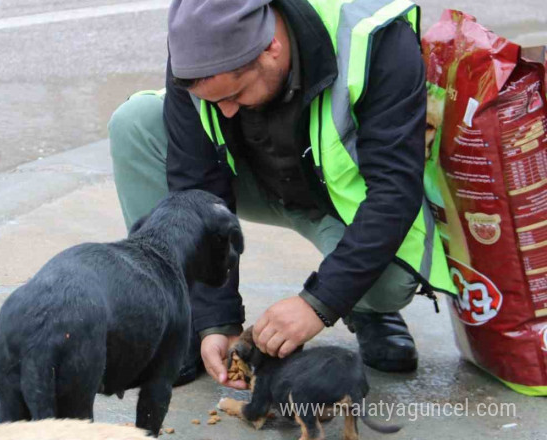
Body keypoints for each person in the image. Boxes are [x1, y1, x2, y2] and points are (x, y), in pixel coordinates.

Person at [108, 0, 455, 389]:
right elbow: (196, 188)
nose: (225, 112)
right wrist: (215, 317)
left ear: (272, 47)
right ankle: (181, 320)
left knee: (389, 284)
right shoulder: (200, 49)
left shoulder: (376, 39)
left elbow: (394, 190)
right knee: (135, 124)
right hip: (253, 178)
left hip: (338, 201)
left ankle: (364, 307)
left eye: (236, 94)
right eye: (214, 101)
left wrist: (319, 303)